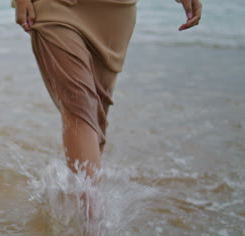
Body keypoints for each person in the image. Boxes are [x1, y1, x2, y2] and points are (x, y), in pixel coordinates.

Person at [14, 0, 202, 179]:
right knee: (79, 102)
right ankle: (91, 209)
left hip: (114, 11)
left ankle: (81, 196)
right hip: (53, 6)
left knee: (96, 114)